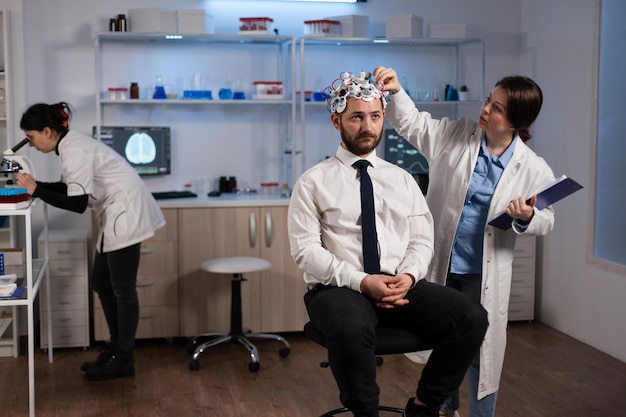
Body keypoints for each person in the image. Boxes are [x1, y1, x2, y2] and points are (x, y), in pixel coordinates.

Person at [287, 71, 489, 417]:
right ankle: (366, 413)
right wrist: (362, 281)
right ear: (337, 120)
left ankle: (426, 405)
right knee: (351, 325)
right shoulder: (312, 182)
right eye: (357, 117)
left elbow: (423, 239)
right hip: (338, 288)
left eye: (376, 116)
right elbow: (306, 252)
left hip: (398, 282)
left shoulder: (402, 179)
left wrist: (408, 277)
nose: (368, 126)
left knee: (471, 317)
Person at [372, 66, 556, 417]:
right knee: (446, 343)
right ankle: (444, 410)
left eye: (498, 108)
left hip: (483, 274)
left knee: (481, 353)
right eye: (490, 100)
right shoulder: (457, 135)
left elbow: (546, 220)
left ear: (517, 121)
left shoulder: (534, 169)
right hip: (442, 263)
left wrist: (528, 217)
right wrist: (397, 89)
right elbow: (413, 124)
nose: (486, 109)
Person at [16, 102, 165, 381]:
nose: (31, 145)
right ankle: (116, 348)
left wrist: (36, 189)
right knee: (101, 282)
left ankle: (124, 356)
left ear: (46, 131)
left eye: (32, 137)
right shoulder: (69, 147)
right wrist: (35, 186)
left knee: (122, 288)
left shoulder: (75, 150)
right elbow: (68, 188)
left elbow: (77, 204)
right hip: (114, 214)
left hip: (127, 212)